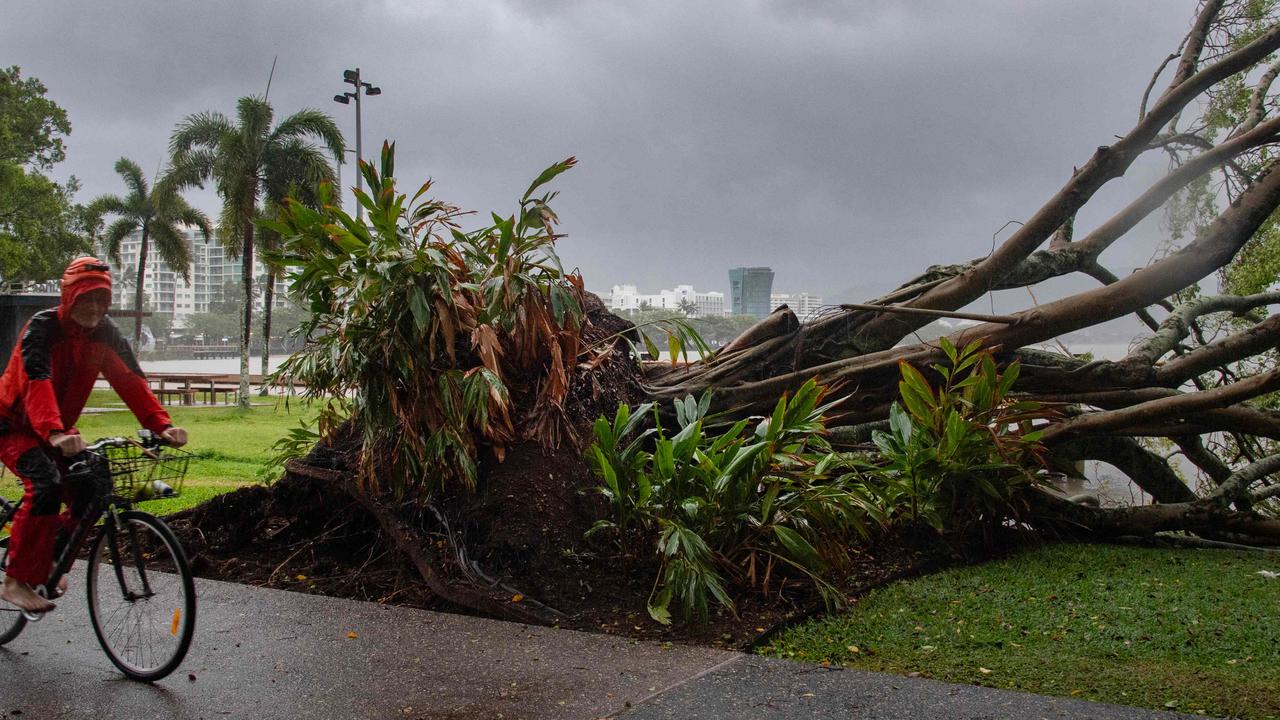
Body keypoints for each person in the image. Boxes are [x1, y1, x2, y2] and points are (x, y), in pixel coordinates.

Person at [0, 257, 188, 614]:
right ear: (69, 297)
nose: (95, 307)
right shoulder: (41, 329)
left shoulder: (105, 333)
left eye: (101, 300)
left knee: (90, 489)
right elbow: (36, 382)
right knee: (45, 485)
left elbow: (130, 381)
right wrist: (54, 431)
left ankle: (51, 560)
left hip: (57, 430)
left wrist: (161, 425)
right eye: (86, 299)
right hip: (13, 425)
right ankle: (14, 581)